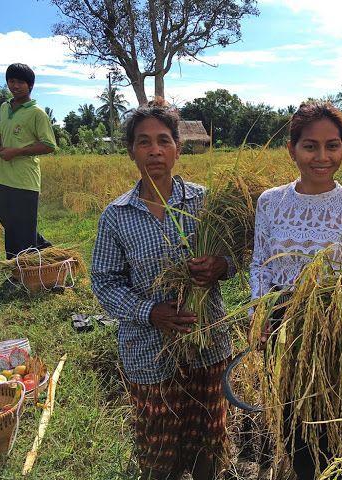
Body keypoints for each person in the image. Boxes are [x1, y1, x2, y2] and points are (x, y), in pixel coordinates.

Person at [91, 99, 235, 480]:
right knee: (159, 448)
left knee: (209, 436)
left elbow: (235, 255)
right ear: (131, 151)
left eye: (163, 140)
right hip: (149, 352)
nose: (154, 150)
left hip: (207, 342)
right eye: (143, 142)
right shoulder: (117, 215)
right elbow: (104, 283)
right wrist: (151, 313)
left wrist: (220, 266)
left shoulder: (205, 202)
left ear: (178, 147)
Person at [249, 102, 342, 479]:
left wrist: (337, 318)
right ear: (292, 149)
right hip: (283, 326)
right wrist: (262, 312)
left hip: (337, 330)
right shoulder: (270, 202)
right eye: (310, 146)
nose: (322, 157)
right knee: (293, 419)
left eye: (332, 145)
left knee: (336, 419)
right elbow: (261, 263)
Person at [0, 63, 56, 259]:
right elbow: (2, 137)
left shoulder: (37, 113)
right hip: (5, 177)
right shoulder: (4, 107)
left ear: (30, 86)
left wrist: (16, 152)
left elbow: (50, 145)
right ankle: (20, 265)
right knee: (8, 222)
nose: (14, 85)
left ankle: (28, 274)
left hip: (26, 180)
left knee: (24, 229)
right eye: (11, 81)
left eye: (20, 82)